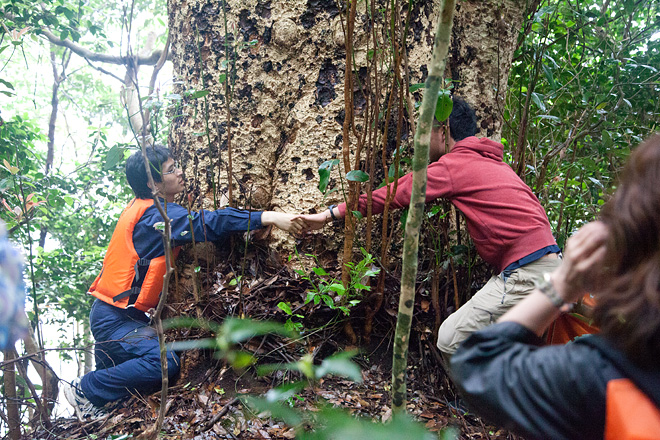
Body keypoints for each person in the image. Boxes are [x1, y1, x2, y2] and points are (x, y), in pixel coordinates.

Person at [296, 97, 560, 359]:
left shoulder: (456, 165)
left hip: (528, 271)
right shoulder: (494, 163)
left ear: (442, 131)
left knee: (452, 339)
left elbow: (397, 192)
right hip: (547, 267)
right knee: (517, 352)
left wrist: (330, 214)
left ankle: (491, 402)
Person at [63, 145, 305, 421]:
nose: (181, 172)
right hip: (115, 320)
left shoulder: (150, 209)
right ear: (153, 184)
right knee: (163, 363)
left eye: (176, 165)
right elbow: (207, 223)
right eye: (171, 170)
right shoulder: (155, 217)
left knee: (131, 386)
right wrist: (269, 216)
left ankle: (93, 399)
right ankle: (85, 388)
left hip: (122, 316)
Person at [450, 133, 660, 439]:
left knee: (450, 336)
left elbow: (478, 364)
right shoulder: (499, 169)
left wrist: (561, 284)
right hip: (534, 267)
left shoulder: (598, 376)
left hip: (533, 271)